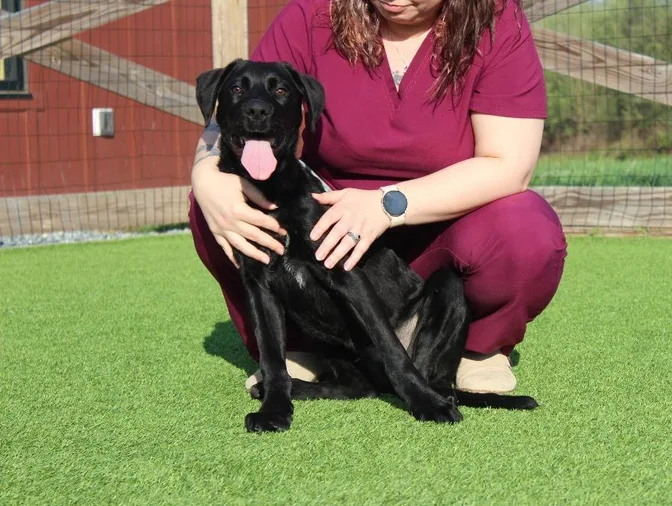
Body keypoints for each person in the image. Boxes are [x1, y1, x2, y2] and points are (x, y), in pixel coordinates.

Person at [188, 0, 567, 395]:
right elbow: (240, 104)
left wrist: (386, 204)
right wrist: (204, 170)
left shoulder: (496, 20)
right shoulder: (312, 13)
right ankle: (300, 346)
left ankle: (479, 346)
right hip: (326, 229)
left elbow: (509, 164)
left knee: (526, 227)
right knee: (215, 203)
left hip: (445, 230)